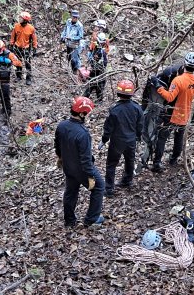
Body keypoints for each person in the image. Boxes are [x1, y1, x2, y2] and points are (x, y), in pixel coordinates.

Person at [54, 96, 104, 227]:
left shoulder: (61, 126)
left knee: (71, 192)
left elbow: (57, 146)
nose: (87, 115)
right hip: (81, 170)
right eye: (86, 113)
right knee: (99, 187)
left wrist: (61, 158)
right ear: (82, 114)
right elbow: (86, 160)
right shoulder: (83, 134)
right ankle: (91, 219)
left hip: (68, 167)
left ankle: (69, 221)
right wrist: (91, 176)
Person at [152, 51, 194, 172]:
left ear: (185, 63)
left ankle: (157, 163)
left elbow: (169, 97)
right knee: (178, 138)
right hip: (185, 114)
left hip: (172, 114)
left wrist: (158, 86)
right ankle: (173, 159)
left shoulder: (178, 80)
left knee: (162, 137)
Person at [101, 80, 144, 196]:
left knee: (111, 164)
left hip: (117, 142)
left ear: (118, 93)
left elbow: (108, 127)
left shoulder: (115, 109)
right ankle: (127, 180)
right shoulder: (137, 108)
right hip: (131, 141)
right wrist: (138, 136)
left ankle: (109, 189)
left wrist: (104, 139)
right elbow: (140, 125)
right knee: (129, 161)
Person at [0, 40, 22, 118]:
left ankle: (8, 111)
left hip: (5, 79)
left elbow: (19, 63)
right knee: (0, 95)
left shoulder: (9, 54)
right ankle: (3, 107)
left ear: (3, 48)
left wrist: (10, 62)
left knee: (6, 96)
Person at [10, 11, 38, 86]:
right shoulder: (16, 26)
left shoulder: (31, 28)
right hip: (17, 48)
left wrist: (35, 48)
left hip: (26, 48)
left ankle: (28, 79)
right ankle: (19, 76)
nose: (19, 19)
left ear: (25, 20)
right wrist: (11, 45)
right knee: (17, 63)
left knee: (27, 64)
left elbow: (34, 39)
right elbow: (13, 36)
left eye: (21, 18)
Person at [82, 33, 108, 101]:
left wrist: (99, 64)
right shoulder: (95, 47)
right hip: (94, 69)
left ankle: (99, 99)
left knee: (99, 85)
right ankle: (85, 97)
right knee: (91, 84)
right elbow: (90, 56)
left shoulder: (103, 51)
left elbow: (105, 63)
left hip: (100, 70)